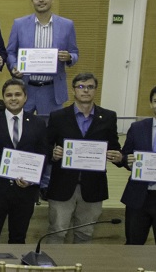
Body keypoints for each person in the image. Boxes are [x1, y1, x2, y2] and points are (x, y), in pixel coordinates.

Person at [46, 72, 123, 243]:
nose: (85, 90)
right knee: (57, 232)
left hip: (93, 186)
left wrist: (118, 156)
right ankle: (51, 269)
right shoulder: (58, 116)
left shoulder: (109, 117)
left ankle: (80, 268)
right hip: (62, 186)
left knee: (85, 234)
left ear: (95, 90)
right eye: (81, 86)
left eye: (90, 87)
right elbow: (46, 146)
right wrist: (52, 153)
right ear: (74, 90)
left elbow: (114, 147)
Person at [0, 78, 49, 244]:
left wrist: (32, 181)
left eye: (17, 94)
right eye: (9, 95)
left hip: (25, 193)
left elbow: (43, 155)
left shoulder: (38, 123)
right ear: (3, 98)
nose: (13, 98)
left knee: (18, 238)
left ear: (25, 97)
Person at [6, 0, 79, 115]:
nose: (41, 0)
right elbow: (10, 52)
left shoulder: (67, 25)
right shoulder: (19, 24)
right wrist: (14, 66)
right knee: (22, 130)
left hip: (52, 89)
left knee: (50, 131)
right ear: (32, 1)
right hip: (25, 87)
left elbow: (74, 53)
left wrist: (69, 57)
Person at [120, 84, 156, 245]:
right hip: (139, 196)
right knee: (133, 245)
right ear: (151, 104)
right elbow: (125, 155)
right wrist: (127, 160)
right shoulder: (137, 128)